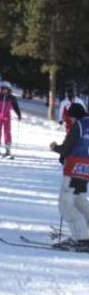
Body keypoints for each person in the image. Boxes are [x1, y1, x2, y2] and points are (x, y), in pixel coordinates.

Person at [51, 103, 89, 248]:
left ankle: (82, 238)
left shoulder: (79, 125)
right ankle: (85, 231)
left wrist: (55, 148)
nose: (70, 121)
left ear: (74, 115)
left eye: (71, 118)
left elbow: (67, 146)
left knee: (65, 204)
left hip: (74, 167)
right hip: (86, 169)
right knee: (79, 200)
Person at [0, 81, 22, 156]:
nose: (4, 90)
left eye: (5, 89)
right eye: (3, 89)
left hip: (6, 117)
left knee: (7, 132)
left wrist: (19, 115)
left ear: (8, 89)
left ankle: (8, 148)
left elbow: (15, 107)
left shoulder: (11, 98)